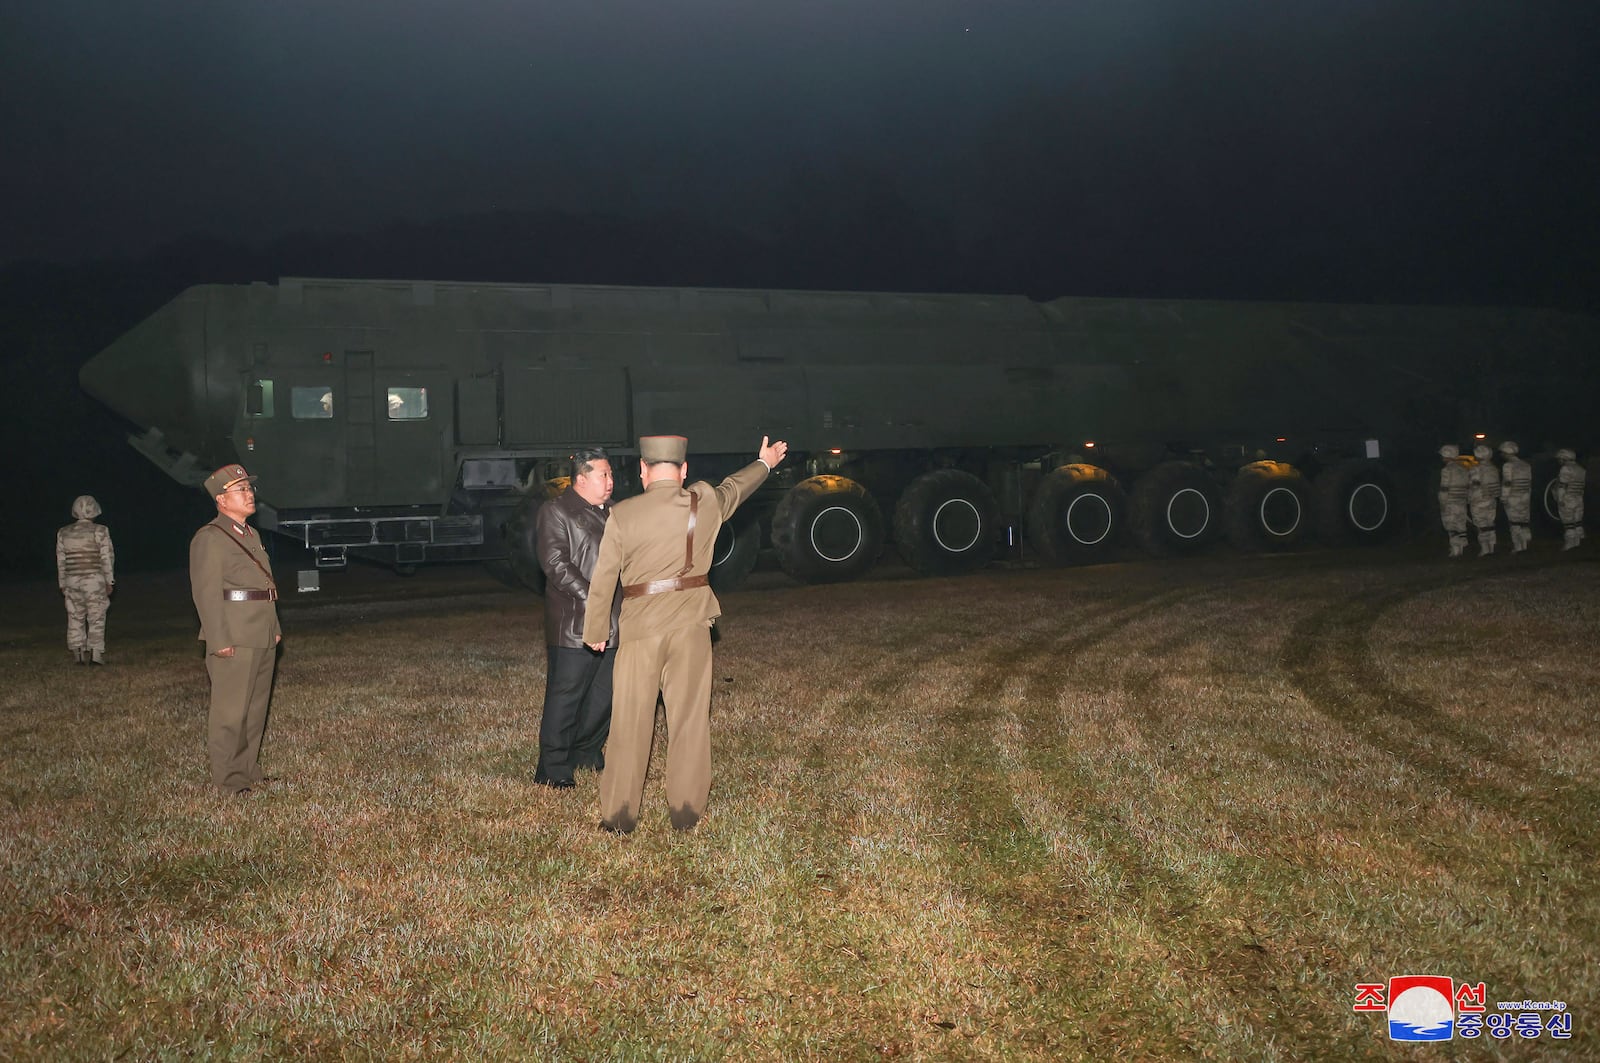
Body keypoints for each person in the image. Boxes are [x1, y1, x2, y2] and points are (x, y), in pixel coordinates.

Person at [583, 434, 788, 833]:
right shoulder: (703, 501)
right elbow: (735, 488)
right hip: (692, 626)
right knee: (690, 721)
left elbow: (603, 578)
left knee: (629, 724)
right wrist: (764, 463)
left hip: (641, 630)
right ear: (684, 470)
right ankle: (686, 812)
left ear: (642, 470)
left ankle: (620, 816)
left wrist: (595, 630)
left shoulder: (622, 514)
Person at [189, 464, 281, 796]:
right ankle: (228, 781)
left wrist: (274, 626)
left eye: (249, 488)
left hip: (260, 630)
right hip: (234, 635)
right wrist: (219, 638)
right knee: (231, 711)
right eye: (241, 490)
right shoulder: (211, 538)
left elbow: (264, 586)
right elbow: (206, 593)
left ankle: (248, 770)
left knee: (256, 708)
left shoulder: (250, 534)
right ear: (221, 499)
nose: (249, 494)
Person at [533, 447, 621, 789]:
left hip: (616, 622)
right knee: (566, 695)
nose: (610, 481)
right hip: (574, 623)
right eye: (604, 475)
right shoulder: (556, 512)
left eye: (611, 474)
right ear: (581, 479)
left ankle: (586, 751)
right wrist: (595, 598)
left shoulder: (617, 512)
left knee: (604, 693)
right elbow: (555, 564)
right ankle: (553, 767)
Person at [56, 494, 114, 664]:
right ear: (94, 510)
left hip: (71, 580)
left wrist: (62, 582)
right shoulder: (100, 530)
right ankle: (96, 655)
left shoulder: (63, 532)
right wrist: (109, 581)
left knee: (75, 616)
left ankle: (78, 654)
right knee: (96, 615)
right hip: (94, 580)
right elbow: (106, 558)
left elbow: (61, 560)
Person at [1437, 444, 1471, 559]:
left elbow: (1444, 489)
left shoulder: (1446, 470)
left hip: (1450, 502)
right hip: (1461, 501)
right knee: (1461, 525)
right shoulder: (1464, 469)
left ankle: (1455, 550)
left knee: (1451, 526)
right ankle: (1462, 548)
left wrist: (1442, 503)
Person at [1499, 441, 1533, 553]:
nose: (1501, 455)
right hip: (1525, 497)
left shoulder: (1508, 466)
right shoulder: (1526, 465)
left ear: (1506, 452)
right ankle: (1525, 545)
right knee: (1523, 522)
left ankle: (1518, 546)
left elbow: (1507, 483)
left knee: (1514, 523)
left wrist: (1504, 497)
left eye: (1502, 452)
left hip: (1513, 497)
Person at [1468, 444, 1500, 556]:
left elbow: (1473, 485)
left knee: (1481, 525)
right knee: (1490, 523)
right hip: (1491, 499)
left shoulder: (1475, 469)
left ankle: (1485, 548)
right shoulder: (1494, 468)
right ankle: (1491, 547)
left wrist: (1468, 497)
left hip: (1478, 500)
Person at [1556, 448, 1586, 550]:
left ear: (1564, 458)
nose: (1559, 461)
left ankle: (1569, 544)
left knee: (1568, 522)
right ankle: (1577, 542)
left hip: (1568, 498)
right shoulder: (1581, 469)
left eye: (1560, 458)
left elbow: (1562, 486)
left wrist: (1560, 499)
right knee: (1577, 521)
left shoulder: (1566, 468)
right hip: (1579, 498)